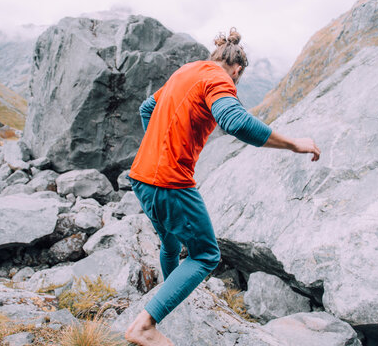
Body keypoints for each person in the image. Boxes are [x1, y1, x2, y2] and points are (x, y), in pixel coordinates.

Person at [124, 28, 320, 346]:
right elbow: (236, 122)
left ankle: (164, 301)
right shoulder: (219, 79)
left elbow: (147, 108)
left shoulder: (186, 71)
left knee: (171, 245)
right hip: (170, 183)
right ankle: (145, 325)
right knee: (205, 255)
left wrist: (158, 150)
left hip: (142, 179)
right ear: (237, 69)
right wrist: (295, 144)